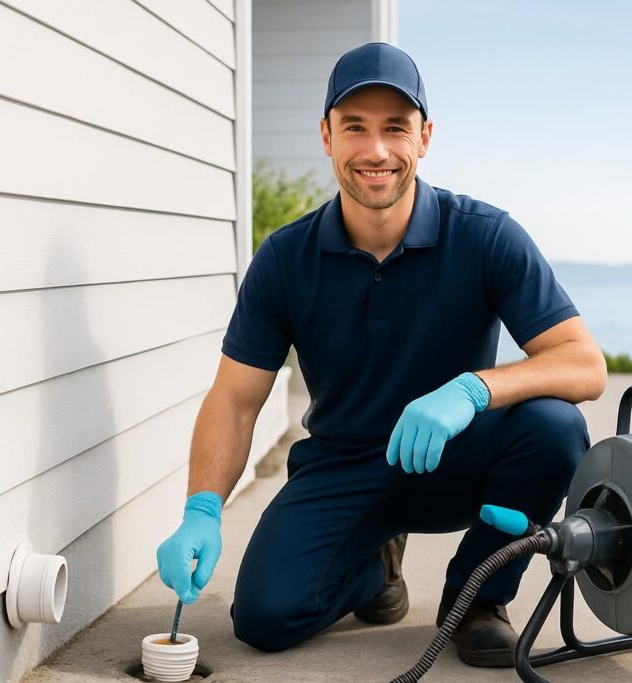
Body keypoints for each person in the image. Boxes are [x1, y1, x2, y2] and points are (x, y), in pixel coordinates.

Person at [156, 42, 607, 668]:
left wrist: (471, 390)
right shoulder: (285, 259)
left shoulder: (485, 234)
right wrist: (202, 507)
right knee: (263, 618)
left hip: (458, 456)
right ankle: (373, 571)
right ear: (327, 136)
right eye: (355, 128)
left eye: (395, 128)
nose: (375, 151)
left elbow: (584, 364)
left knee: (555, 428)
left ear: (424, 138)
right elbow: (235, 399)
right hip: (343, 465)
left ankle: (477, 597)